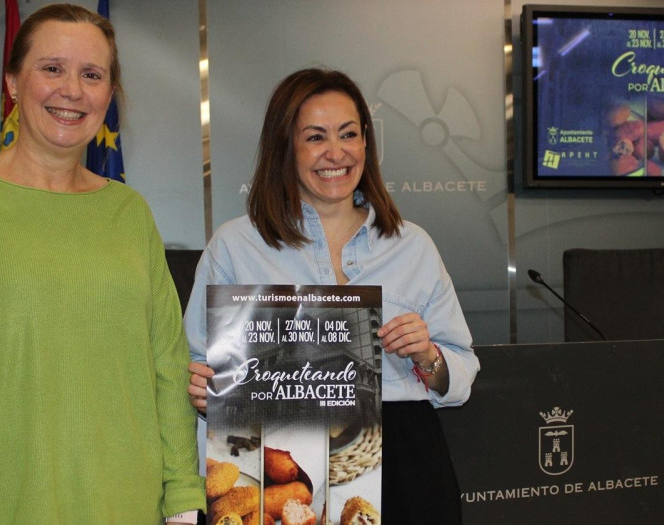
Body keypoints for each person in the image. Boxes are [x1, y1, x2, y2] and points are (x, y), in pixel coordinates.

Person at [0, 4, 203, 524]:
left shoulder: (129, 212)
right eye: (52, 68)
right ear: (13, 82)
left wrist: (184, 499)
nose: (73, 90)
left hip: (129, 508)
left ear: (109, 94)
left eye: (92, 74)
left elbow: (167, 368)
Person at [183, 68, 480, 524]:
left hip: (406, 462)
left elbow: (461, 376)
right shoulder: (235, 246)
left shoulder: (412, 245)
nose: (335, 153)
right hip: (274, 471)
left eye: (348, 134)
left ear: (366, 142)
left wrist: (429, 356)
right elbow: (196, 366)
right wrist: (204, 389)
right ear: (286, 147)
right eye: (315, 137)